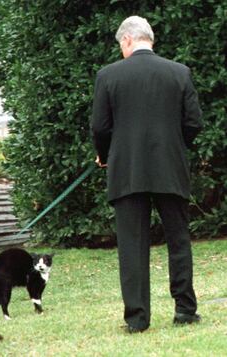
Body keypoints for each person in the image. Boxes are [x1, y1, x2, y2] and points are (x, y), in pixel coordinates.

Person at [91, 15, 203, 333]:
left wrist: (105, 154)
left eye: (120, 45)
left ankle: (137, 319)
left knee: (132, 245)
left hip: (126, 170)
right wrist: (176, 146)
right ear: (148, 39)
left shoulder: (108, 75)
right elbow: (193, 123)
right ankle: (185, 310)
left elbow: (100, 126)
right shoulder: (179, 72)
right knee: (178, 240)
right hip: (171, 166)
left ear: (127, 40)